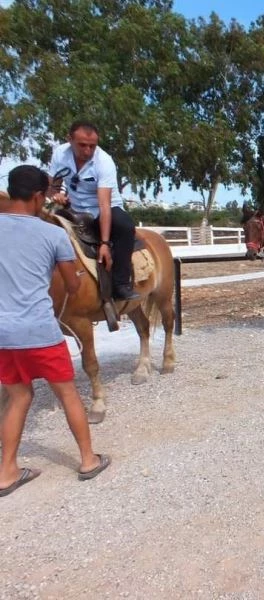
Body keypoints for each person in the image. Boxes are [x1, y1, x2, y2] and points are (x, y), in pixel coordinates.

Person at [0, 165, 110, 497]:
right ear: (37, 197)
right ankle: (88, 460)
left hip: (3, 334)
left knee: (19, 397)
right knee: (68, 394)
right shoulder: (52, 234)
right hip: (40, 333)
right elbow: (73, 286)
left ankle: (6, 472)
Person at [49, 121, 139, 300]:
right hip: (72, 207)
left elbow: (104, 204)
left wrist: (104, 244)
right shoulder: (60, 153)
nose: (87, 151)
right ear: (70, 140)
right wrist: (55, 195)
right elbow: (52, 186)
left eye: (92, 146)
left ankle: (120, 283)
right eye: (82, 145)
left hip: (102, 208)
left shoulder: (104, 162)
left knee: (125, 225)